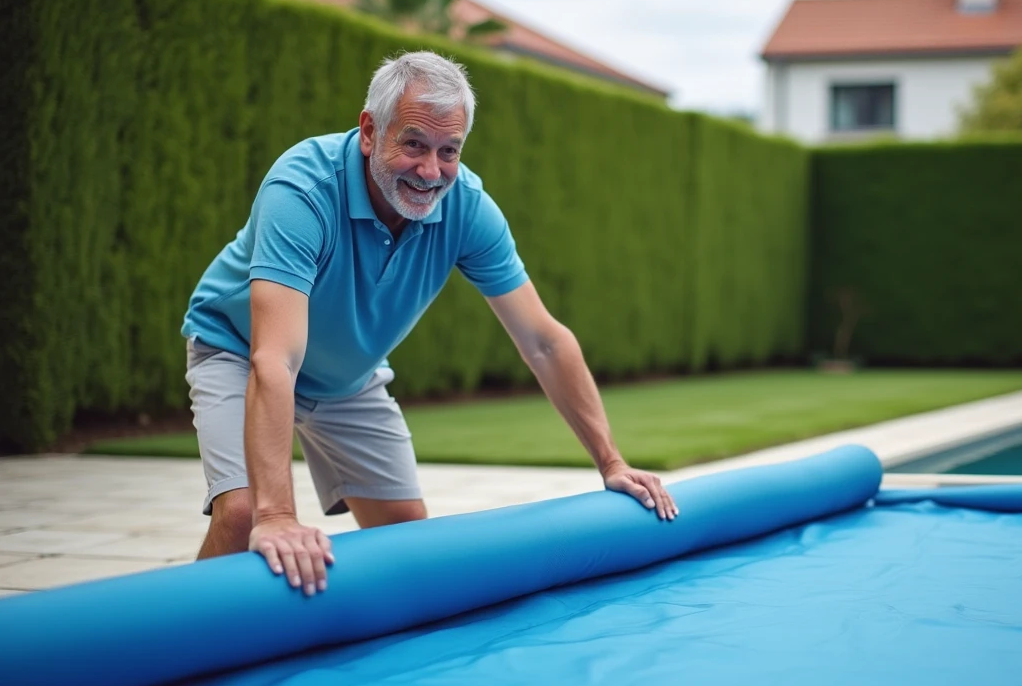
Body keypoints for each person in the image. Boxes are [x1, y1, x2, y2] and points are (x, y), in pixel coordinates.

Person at [180, 51, 678, 597]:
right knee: (245, 514)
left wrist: (611, 462)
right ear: (370, 131)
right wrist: (278, 514)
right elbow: (275, 358)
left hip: (349, 376)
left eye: (449, 152)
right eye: (413, 144)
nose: (431, 171)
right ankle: (169, 643)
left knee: (406, 540)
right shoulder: (302, 190)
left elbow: (542, 339)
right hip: (240, 349)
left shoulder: (466, 207)